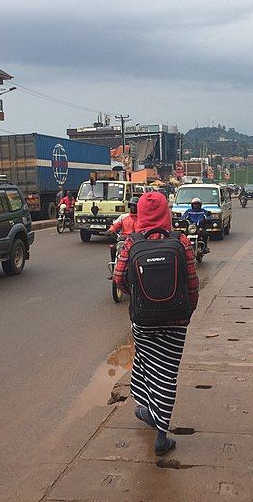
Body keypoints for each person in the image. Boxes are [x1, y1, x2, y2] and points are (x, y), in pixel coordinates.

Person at [113, 192, 199, 456]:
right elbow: (193, 283)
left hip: (143, 321)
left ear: (140, 213)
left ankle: (150, 413)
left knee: (149, 365)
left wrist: (141, 298)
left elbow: (118, 279)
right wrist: (186, 311)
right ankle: (160, 433)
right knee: (167, 373)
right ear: (166, 213)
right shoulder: (181, 242)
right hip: (176, 321)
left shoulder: (131, 243)